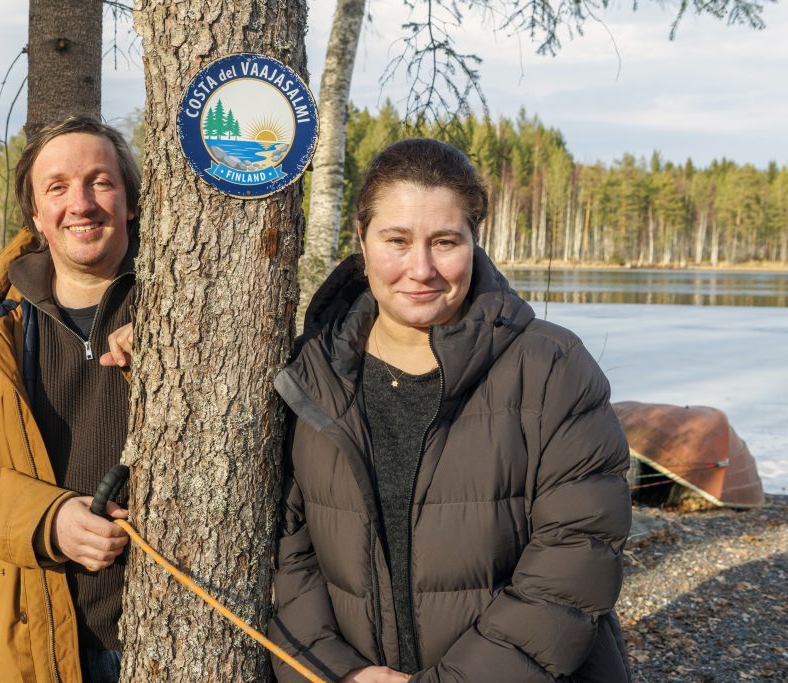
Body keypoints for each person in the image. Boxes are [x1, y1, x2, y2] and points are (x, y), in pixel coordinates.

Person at [269, 138, 632, 683]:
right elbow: (289, 549)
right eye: (397, 240)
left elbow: (576, 559)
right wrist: (338, 672)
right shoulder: (314, 374)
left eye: (444, 242)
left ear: (473, 242)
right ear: (362, 240)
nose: (421, 269)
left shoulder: (550, 367)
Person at [0, 115, 139, 683]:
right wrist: (49, 519)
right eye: (57, 187)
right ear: (36, 214)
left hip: (179, 632)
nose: (80, 204)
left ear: (131, 203)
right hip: (40, 636)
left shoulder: (188, 305)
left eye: (100, 182)